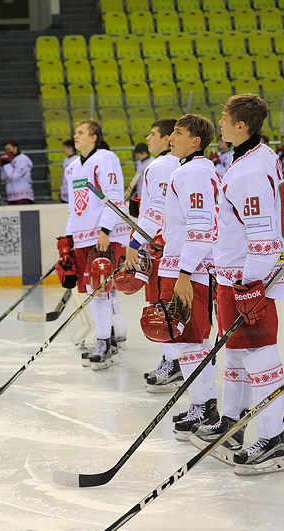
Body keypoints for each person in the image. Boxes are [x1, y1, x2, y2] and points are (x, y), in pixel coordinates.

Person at [190, 93, 284, 476]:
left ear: (241, 126)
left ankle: (274, 436)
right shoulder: (255, 158)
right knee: (235, 354)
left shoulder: (250, 170)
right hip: (236, 275)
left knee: (258, 353)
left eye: (225, 118)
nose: (220, 124)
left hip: (246, 277)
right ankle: (232, 425)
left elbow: (263, 236)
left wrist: (252, 283)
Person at [157, 113, 220, 439]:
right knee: (184, 338)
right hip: (181, 265)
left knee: (191, 338)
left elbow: (200, 228)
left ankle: (206, 405)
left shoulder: (193, 173)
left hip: (188, 269)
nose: (171, 138)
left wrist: (184, 272)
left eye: (178, 133)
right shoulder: (193, 170)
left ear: (195, 141)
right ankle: (202, 401)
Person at [61, 119, 128, 370]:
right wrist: (68, 240)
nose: (75, 136)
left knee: (102, 289)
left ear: (94, 136)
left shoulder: (106, 158)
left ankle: (103, 341)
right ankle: (111, 338)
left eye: (80, 132)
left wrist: (105, 230)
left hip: (103, 236)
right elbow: (73, 209)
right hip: (83, 238)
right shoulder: (72, 168)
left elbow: (114, 196)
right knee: (94, 291)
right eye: (75, 132)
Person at [124, 119, 181, 392]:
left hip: (161, 249)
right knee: (176, 307)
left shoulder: (159, 166)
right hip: (182, 249)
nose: (148, 138)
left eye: (153, 133)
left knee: (160, 305)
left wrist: (134, 243)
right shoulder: (186, 164)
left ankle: (173, 363)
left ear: (169, 138)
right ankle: (175, 360)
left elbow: (153, 214)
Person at [0, 139, 34, 205]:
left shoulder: (23, 159)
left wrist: (6, 164)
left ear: (15, 148)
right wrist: (0, 167)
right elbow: (3, 178)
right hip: (11, 197)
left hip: (23, 196)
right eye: (6, 150)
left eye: (9, 149)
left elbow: (14, 176)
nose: (7, 151)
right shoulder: (10, 159)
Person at [129, 142, 152, 217]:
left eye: (139, 154)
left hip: (148, 192)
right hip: (139, 190)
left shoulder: (152, 162)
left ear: (144, 153)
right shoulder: (139, 162)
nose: (137, 156)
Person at [59, 138, 76, 203]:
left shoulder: (76, 160)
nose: (63, 150)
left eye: (65, 148)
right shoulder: (66, 160)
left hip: (72, 190)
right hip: (65, 190)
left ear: (70, 148)